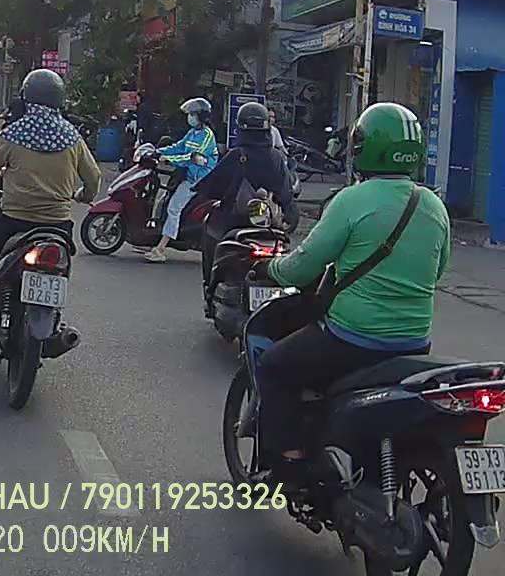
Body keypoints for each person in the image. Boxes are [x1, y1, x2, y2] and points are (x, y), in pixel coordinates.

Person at [252, 102, 450, 485]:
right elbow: (436, 271)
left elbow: (303, 267)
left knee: (274, 367)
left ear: (364, 148)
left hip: (353, 340)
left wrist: (270, 268)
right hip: (414, 343)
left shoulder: (352, 200)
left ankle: (290, 466)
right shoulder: (434, 206)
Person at [0, 69, 102, 321]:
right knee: (62, 263)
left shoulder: (15, 133)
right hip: (58, 224)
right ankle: (54, 314)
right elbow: (93, 178)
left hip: (16, 220)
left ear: (25, 97)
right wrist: (84, 195)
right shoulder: (72, 137)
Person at [192, 101, 299, 317]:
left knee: (209, 230)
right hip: (273, 227)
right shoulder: (277, 157)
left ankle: (210, 290)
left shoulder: (236, 155)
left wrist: (201, 192)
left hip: (235, 223)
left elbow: (213, 187)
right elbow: (287, 193)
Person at [144, 98, 219, 263]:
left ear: (201, 116)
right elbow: (178, 147)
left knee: (173, 208)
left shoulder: (207, 136)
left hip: (198, 180)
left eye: (192, 114)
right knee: (164, 199)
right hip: (186, 174)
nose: (189, 117)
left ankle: (160, 249)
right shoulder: (193, 133)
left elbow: (191, 157)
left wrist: (169, 159)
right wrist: (157, 151)